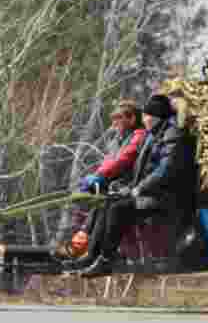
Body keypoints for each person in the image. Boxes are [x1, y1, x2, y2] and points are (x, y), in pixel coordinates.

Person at [77, 94, 198, 277]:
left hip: (165, 196)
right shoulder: (153, 135)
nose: (145, 119)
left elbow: (164, 171)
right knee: (109, 201)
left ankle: (106, 261)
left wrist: (138, 189)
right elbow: (139, 169)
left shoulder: (173, 135)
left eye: (148, 115)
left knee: (118, 208)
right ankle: (94, 255)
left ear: (157, 116)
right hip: (149, 192)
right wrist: (126, 188)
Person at [53, 99, 147, 261]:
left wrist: (101, 176)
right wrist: (96, 177)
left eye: (118, 117)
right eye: (113, 117)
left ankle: (88, 250)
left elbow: (123, 160)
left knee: (104, 201)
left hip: (130, 185)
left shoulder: (138, 136)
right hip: (116, 184)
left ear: (132, 119)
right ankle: (82, 245)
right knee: (94, 199)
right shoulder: (118, 139)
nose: (114, 122)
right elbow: (109, 162)